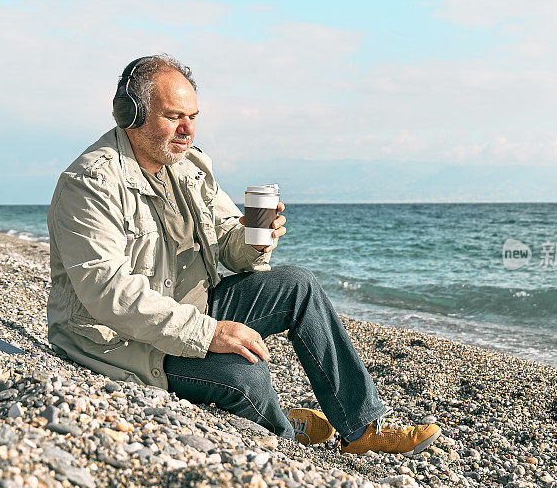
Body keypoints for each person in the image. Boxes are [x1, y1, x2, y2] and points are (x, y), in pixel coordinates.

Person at [46, 54, 441, 455]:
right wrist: (210, 333)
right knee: (246, 376)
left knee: (297, 284)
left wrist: (254, 242)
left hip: (189, 309)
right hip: (121, 341)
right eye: (174, 116)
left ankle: (361, 429)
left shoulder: (189, 166)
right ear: (131, 113)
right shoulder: (91, 182)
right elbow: (108, 293)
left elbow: (231, 244)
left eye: (193, 117)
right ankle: (287, 433)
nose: (187, 130)